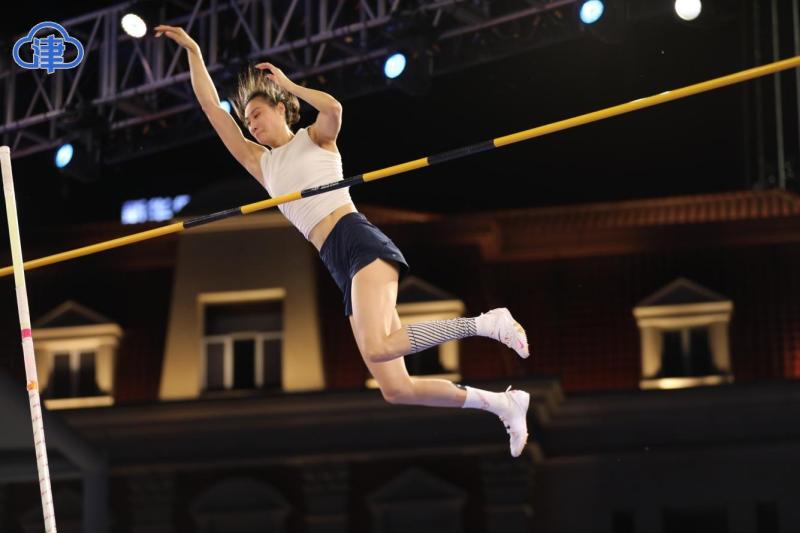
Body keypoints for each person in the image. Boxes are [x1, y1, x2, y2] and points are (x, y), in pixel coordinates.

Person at [155, 25, 533, 457]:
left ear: (281, 107)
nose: (252, 124)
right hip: (338, 263)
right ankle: (502, 404)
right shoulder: (260, 163)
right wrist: (193, 50)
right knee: (396, 389)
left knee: (379, 345)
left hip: (357, 241)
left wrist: (289, 83)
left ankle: (485, 323)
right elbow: (211, 108)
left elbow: (333, 107)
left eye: (257, 113)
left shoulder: (315, 138)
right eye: (248, 121)